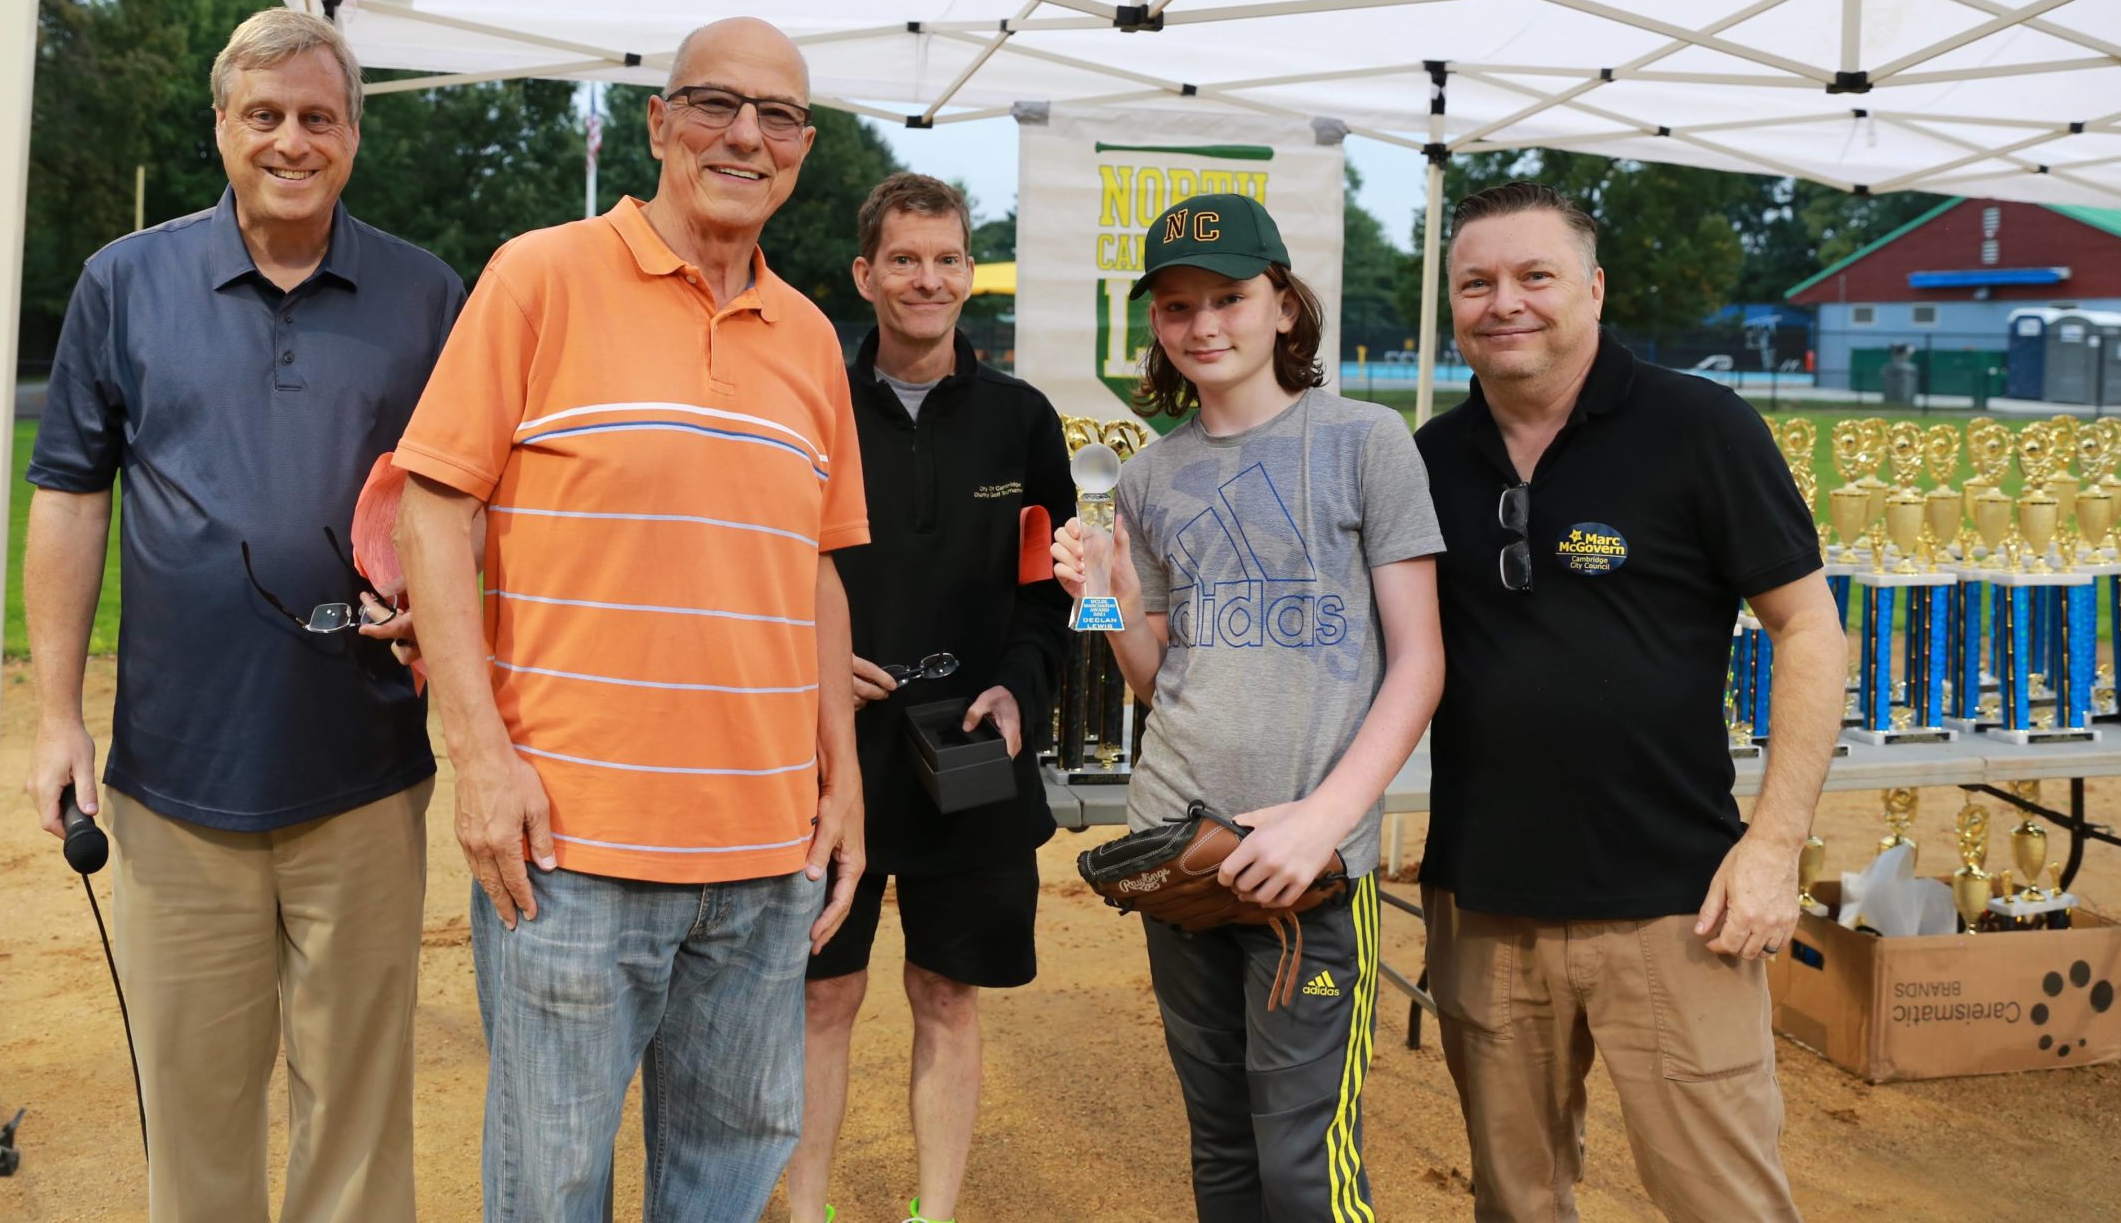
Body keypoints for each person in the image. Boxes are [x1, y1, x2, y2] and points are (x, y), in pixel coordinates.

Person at [390, 16, 869, 1223]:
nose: (745, 136)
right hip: (571, 848)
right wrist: (480, 759)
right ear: (657, 123)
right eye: (714, 104)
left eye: (778, 116)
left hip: (765, 854)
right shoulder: (539, 276)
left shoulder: (813, 338)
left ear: (803, 148)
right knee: (551, 1189)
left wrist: (843, 776)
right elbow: (432, 512)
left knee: (726, 1177)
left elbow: (815, 570)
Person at [22, 7, 464, 1223]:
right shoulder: (124, 281)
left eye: (318, 117)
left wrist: (433, 606)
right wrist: (56, 714)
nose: (290, 141)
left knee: (358, 1107)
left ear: (354, 134)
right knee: (195, 1102)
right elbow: (69, 496)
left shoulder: (427, 291)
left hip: (365, 762)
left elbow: (466, 499)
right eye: (263, 115)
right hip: (177, 772)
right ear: (220, 124)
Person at [1412, 181, 1844, 1223]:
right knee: (1515, 1201)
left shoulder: (1699, 426)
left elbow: (1808, 627)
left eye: (1535, 275)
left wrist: (1774, 845)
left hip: (1674, 904)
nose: (1504, 302)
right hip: (1485, 902)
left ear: (1594, 289)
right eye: (1476, 283)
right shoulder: (1425, 459)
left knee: (1722, 1202)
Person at [1050, 192, 1446, 1222]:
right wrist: (1111, 598)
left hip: (1309, 864)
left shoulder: (1366, 441)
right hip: (1179, 845)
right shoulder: (1148, 474)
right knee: (1221, 1145)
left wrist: (1325, 821)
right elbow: (1157, 677)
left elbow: (1419, 662)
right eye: (1177, 305)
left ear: (1283, 305)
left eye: (1228, 297)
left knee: (1306, 1166)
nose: (1204, 324)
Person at [785, 175, 1077, 1223]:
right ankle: (806, 1210)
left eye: (947, 258)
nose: (928, 278)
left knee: (948, 993)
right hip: (832, 760)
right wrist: (811, 664)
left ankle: (935, 1210)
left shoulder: (1022, 420)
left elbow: (1053, 590)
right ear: (865, 274)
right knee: (821, 995)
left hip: (972, 755)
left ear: (969, 272)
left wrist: (1019, 686)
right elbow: (762, 570)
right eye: (904, 259)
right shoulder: (808, 406)